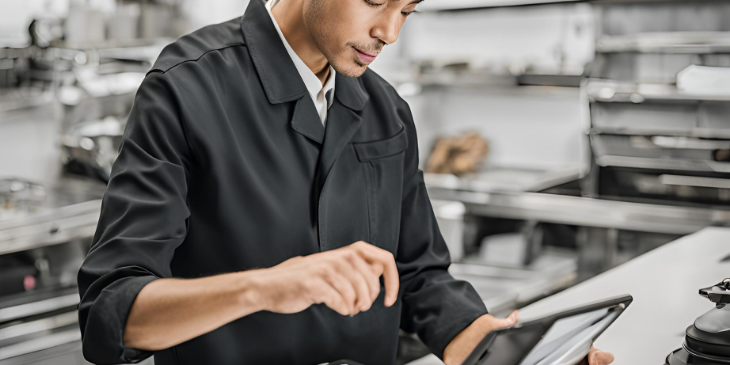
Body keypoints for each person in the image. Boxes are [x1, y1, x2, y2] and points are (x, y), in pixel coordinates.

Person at [76, 0, 615, 364]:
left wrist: (496, 348)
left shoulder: (385, 108)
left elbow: (420, 274)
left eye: (406, 9)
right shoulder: (187, 86)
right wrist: (266, 286)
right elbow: (112, 315)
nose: (390, 32)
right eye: (377, 1)